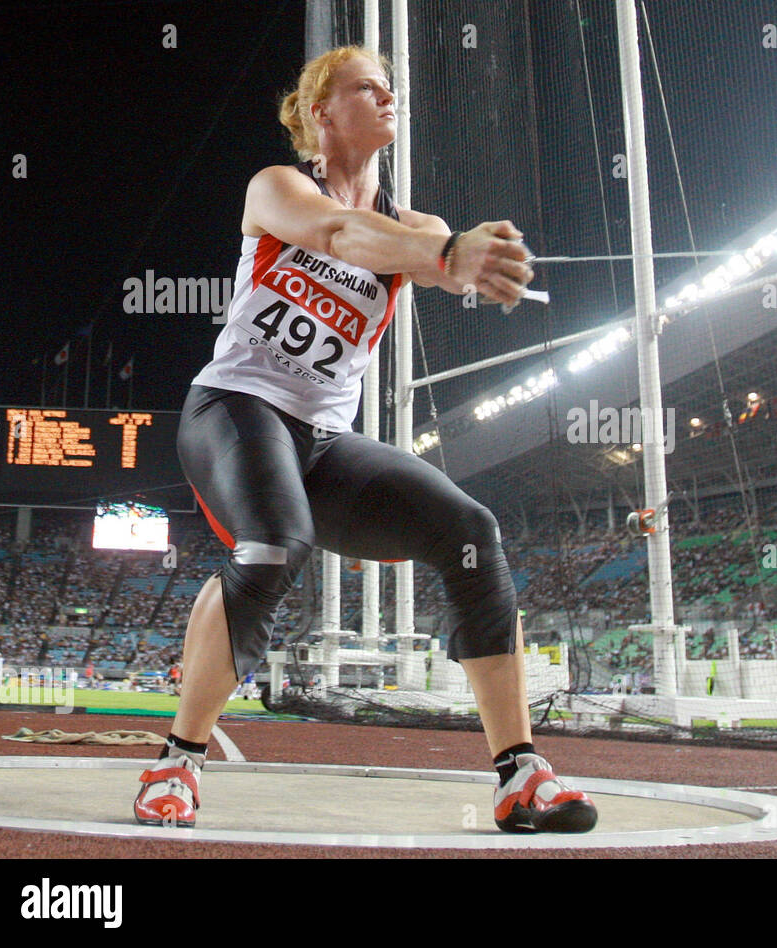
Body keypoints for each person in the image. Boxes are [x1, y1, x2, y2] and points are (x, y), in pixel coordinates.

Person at [132, 45, 596, 834]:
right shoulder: (278, 188)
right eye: (367, 89)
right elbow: (344, 235)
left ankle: (520, 774)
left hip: (321, 443)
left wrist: (468, 262)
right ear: (322, 113)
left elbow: (431, 257)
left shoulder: (417, 224)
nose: (389, 99)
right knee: (274, 544)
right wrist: (447, 256)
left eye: (392, 91)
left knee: (471, 533)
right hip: (235, 410)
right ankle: (176, 763)